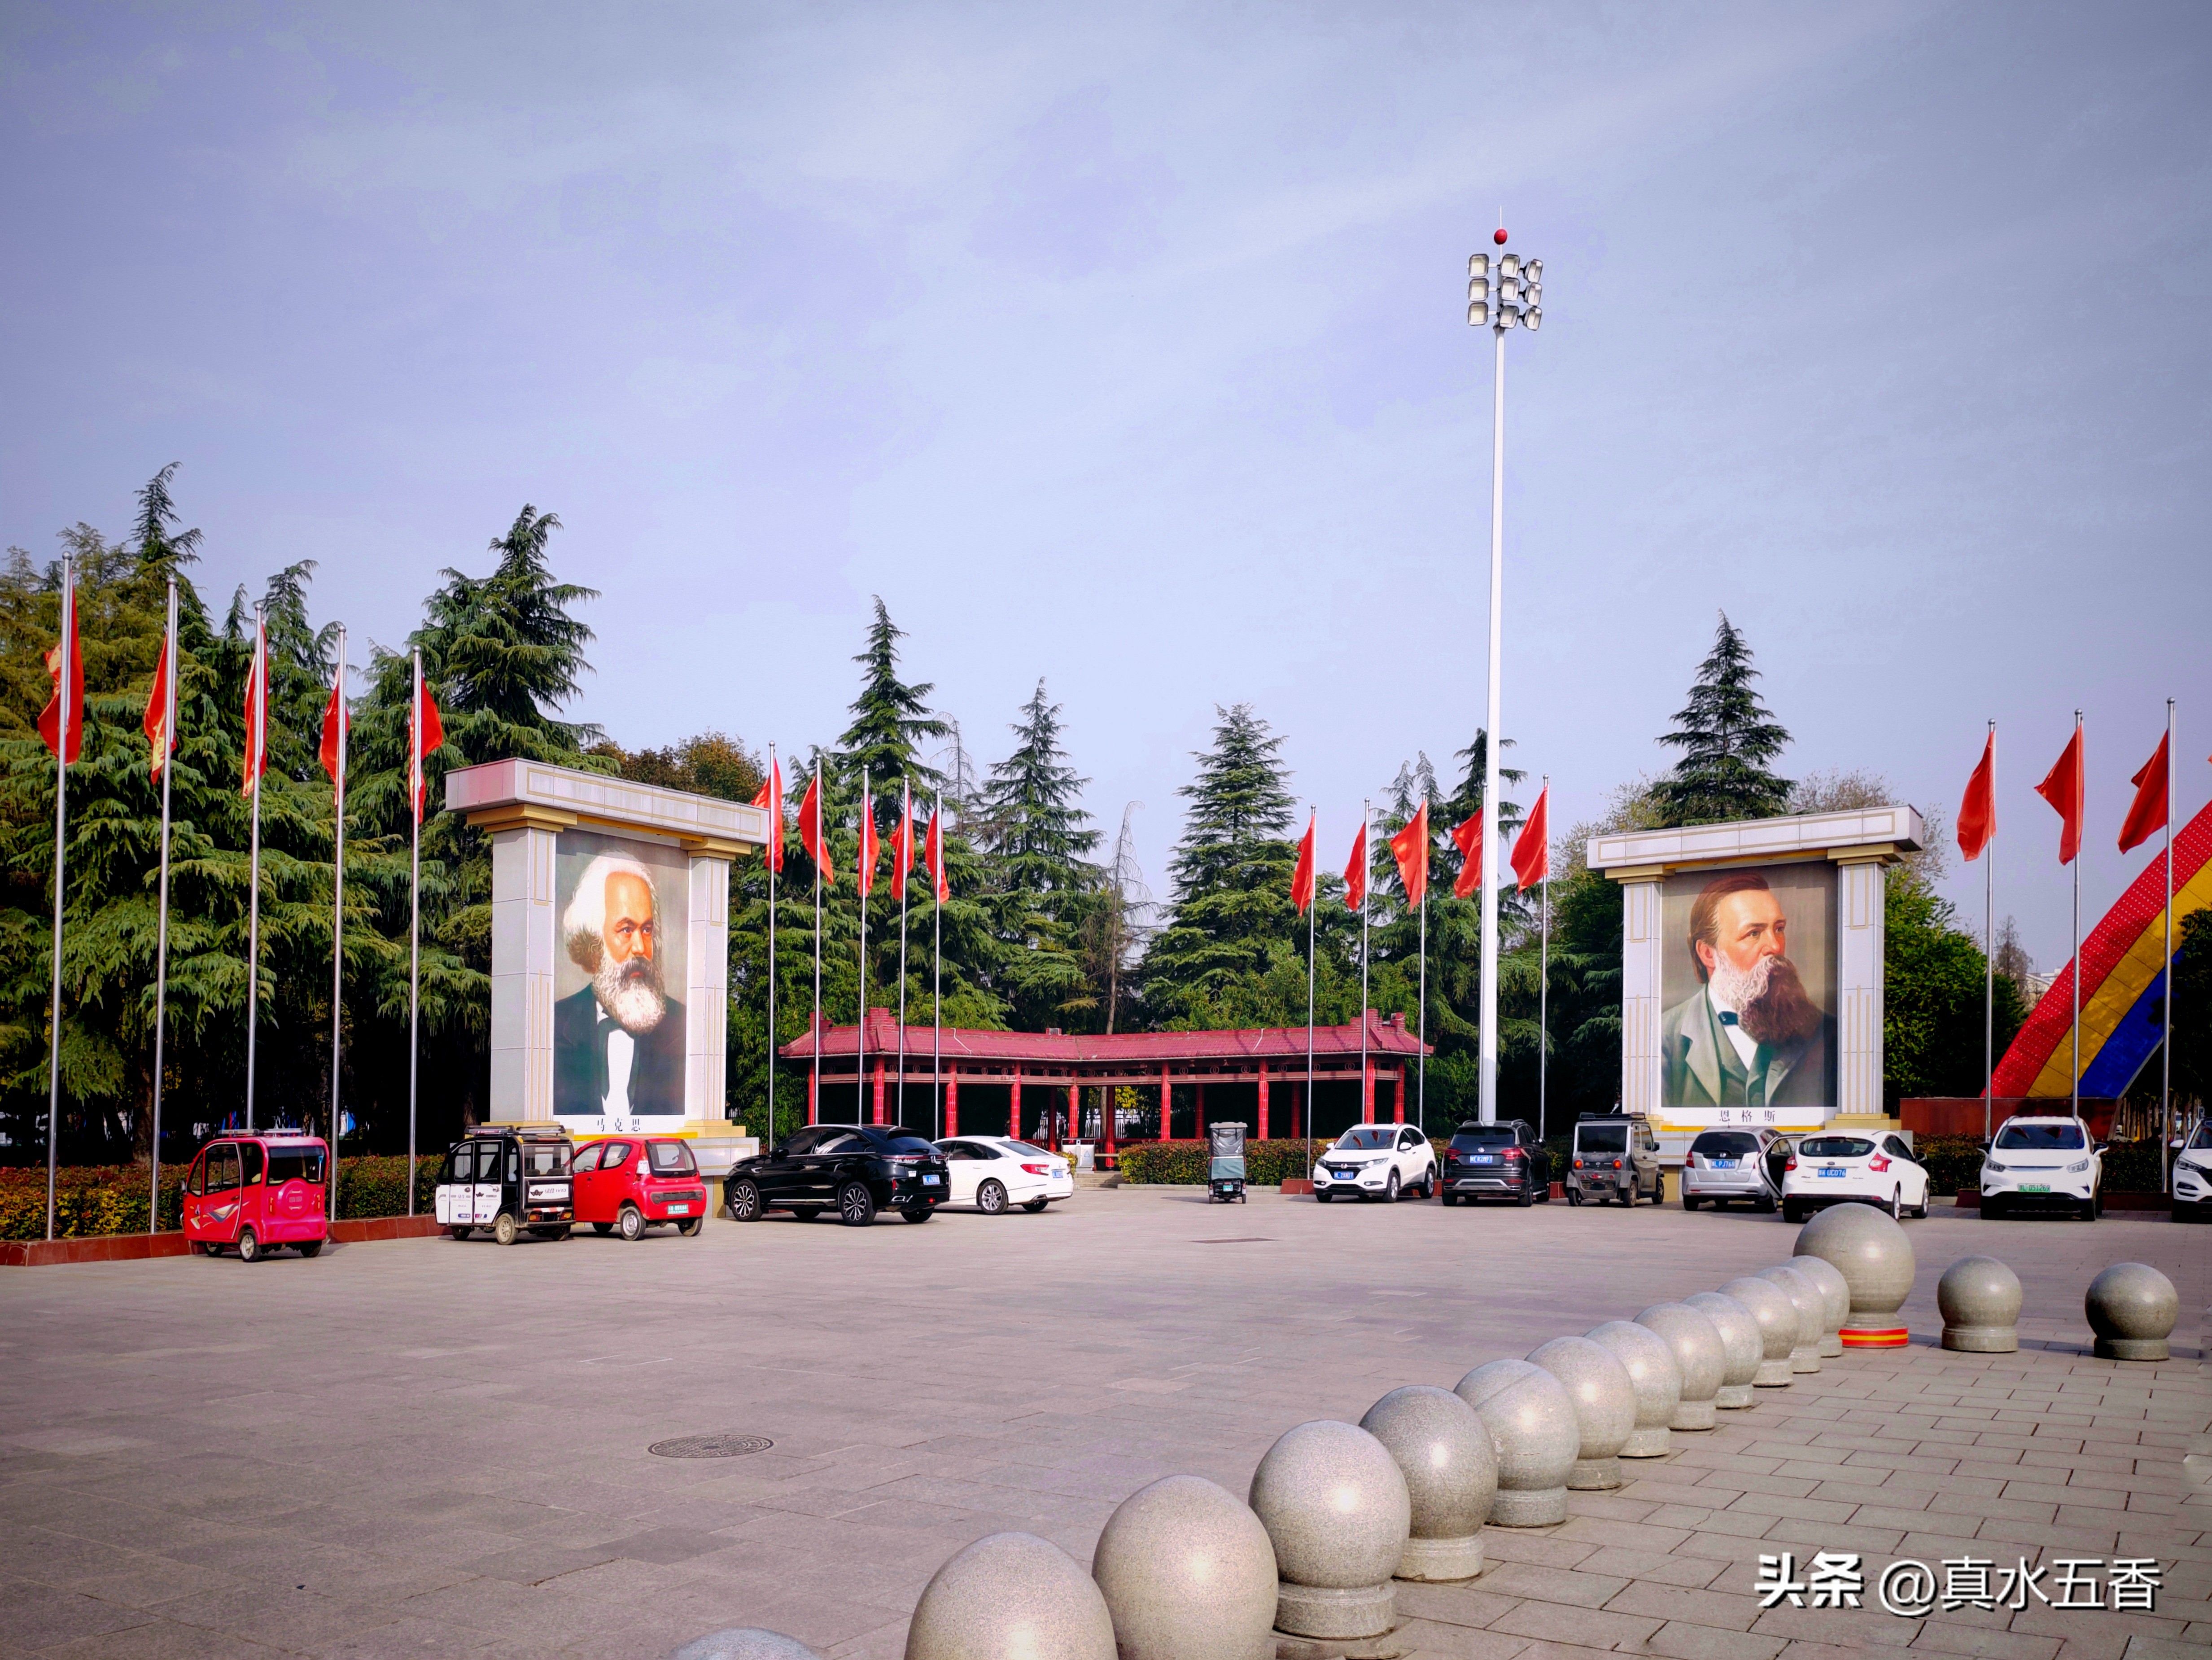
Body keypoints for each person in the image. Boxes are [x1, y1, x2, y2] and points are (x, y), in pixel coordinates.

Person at [1660, 871, 1831, 1109]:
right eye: (1754, 934)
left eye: (1779, 929)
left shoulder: (1826, 1031)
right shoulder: (1666, 1038)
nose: (1775, 947)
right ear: (1708, 953)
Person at [554, 853, 686, 1117]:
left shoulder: (681, 1025)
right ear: (594, 938)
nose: (640, 948)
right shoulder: (556, 1024)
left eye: (646, 930)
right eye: (626, 929)